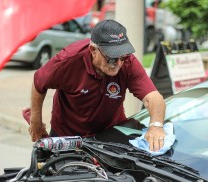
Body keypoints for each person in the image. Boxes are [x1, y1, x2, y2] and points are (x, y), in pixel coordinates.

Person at [29, 19, 166, 151]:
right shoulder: (68, 61)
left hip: (108, 134)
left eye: (122, 57)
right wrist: (36, 121)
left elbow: (153, 98)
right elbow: (38, 83)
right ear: (93, 50)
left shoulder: (128, 63)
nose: (118, 63)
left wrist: (156, 125)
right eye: (112, 57)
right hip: (67, 135)